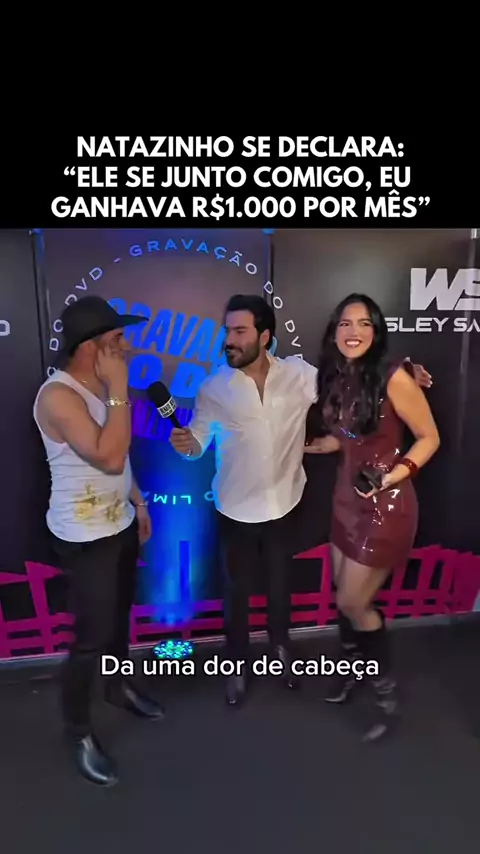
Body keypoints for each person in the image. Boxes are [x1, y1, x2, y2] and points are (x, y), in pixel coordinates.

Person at [169, 294, 433, 708]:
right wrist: (187, 445)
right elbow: (198, 443)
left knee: (280, 589)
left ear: (264, 336)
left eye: (240, 331)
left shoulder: (300, 374)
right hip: (234, 508)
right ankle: (236, 665)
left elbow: (353, 377)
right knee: (237, 594)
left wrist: (403, 373)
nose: (229, 340)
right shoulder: (213, 387)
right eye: (228, 331)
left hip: (285, 503)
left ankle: (282, 654)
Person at [33, 295, 164, 788]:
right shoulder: (58, 396)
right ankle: (79, 731)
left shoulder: (104, 387)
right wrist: (119, 388)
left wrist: (139, 502)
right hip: (85, 538)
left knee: (117, 623)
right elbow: (108, 455)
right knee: (90, 639)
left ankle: (117, 687)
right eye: (117, 340)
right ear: (91, 346)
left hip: (120, 524)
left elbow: (120, 463)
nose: (126, 347)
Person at [304, 293, 440, 742]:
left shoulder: (394, 376)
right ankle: (353, 673)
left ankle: (386, 698)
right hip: (346, 501)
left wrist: (391, 476)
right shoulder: (337, 375)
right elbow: (350, 437)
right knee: (343, 597)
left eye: (364, 323)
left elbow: (429, 437)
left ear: (377, 331)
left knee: (353, 602)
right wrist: (315, 446)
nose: (354, 331)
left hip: (385, 506)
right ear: (334, 330)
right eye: (346, 323)